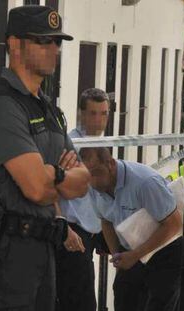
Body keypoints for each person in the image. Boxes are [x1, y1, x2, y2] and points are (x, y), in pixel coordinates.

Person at [0, 5, 90, 311]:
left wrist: (54, 176)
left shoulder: (46, 107)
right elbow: (36, 189)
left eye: (57, 42)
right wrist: (59, 176)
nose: (53, 49)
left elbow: (84, 181)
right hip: (9, 250)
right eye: (43, 41)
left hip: (44, 245)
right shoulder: (2, 106)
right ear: (14, 44)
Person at [80, 147, 183, 311]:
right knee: (124, 298)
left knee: (159, 303)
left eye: (95, 173)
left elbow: (174, 224)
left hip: (165, 250)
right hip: (130, 248)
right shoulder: (94, 187)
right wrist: (117, 254)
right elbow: (106, 221)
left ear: (111, 164)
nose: (92, 181)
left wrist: (134, 255)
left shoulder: (145, 183)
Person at [56, 88, 111, 311]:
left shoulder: (102, 142)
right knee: (81, 303)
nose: (98, 120)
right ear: (82, 114)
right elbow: (53, 186)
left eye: (104, 113)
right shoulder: (71, 145)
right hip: (73, 231)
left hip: (91, 232)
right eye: (93, 113)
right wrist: (63, 228)